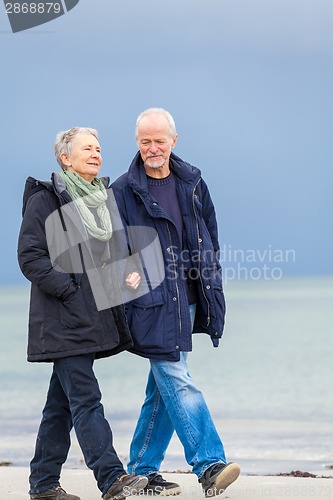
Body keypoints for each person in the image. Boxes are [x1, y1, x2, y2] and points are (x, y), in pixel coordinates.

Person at [111, 108, 241, 498]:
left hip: (187, 301)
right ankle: (209, 464)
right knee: (177, 379)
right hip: (149, 305)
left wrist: (211, 278)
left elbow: (210, 236)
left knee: (163, 386)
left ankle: (142, 470)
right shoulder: (121, 191)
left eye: (159, 140)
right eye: (145, 141)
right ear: (137, 143)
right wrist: (127, 278)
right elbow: (113, 249)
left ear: (173, 141)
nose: (153, 148)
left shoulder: (193, 183)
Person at [17, 127, 148, 500]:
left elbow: (110, 258)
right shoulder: (45, 201)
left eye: (99, 148)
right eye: (87, 148)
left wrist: (128, 275)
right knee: (87, 399)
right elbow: (30, 257)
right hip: (63, 319)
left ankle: (43, 484)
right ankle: (112, 478)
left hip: (91, 318)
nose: (96, 154)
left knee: (60, 407)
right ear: (65, 157)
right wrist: (70, 291)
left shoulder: (102, 201)